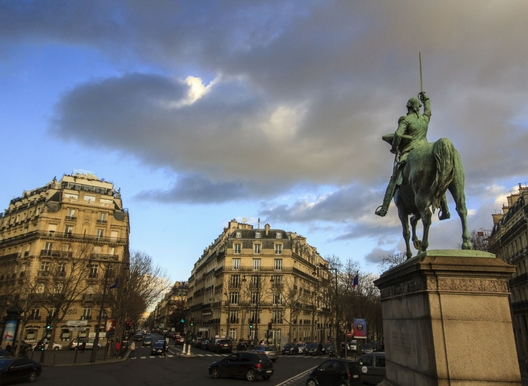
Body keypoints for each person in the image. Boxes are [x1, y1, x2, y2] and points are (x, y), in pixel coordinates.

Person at [375, 91, 450, 220]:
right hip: (426, 147)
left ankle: (384, 207)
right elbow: (428, 111)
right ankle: (445, 208)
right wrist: (426, 99)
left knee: (394, 179)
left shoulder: (406, 120)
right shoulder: (424, 119)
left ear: (408, 106)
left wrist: (394, 148)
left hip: (410, 150)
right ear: (417, 107)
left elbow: (398, 135)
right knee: (439, 175)